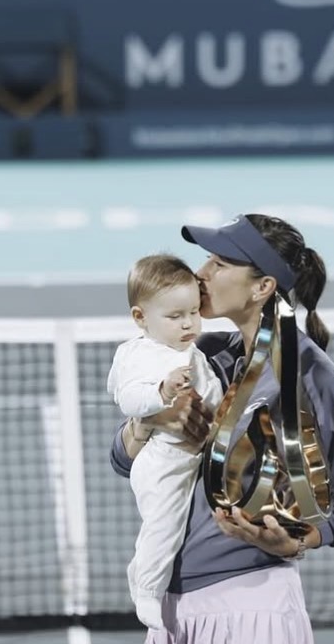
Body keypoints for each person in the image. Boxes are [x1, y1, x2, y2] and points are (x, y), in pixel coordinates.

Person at [109, 214, 334, 643]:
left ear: (263, 287)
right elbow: (122, 461)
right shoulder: (203, 355)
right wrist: (148, 424)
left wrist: (295, 541)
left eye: (219, 264)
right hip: (172, 607)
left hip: (251, 604)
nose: (200, 274)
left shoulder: (314, 378)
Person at [108, 254, 225, 630]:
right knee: (164, 525)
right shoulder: (142, 355)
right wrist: (161, 392)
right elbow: (128, 399)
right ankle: (146, 589)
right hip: (164, 460)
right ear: (140, 318)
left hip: (195, 456)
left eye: (193, 311)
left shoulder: (190, 348)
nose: (189, 322)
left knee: (174, 525)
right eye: (175, 317)